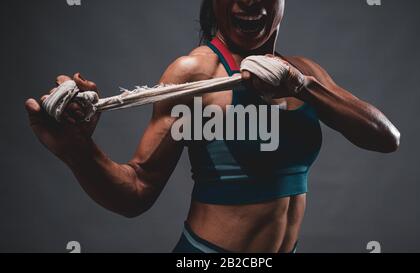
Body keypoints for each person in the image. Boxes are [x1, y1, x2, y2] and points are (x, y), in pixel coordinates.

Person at [24, 0, 400, 253]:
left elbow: (386, 138)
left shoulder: (305, 72)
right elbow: (136, 190)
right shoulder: (196, 72)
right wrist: (78, 150)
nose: (248, 2)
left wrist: (301, 86)